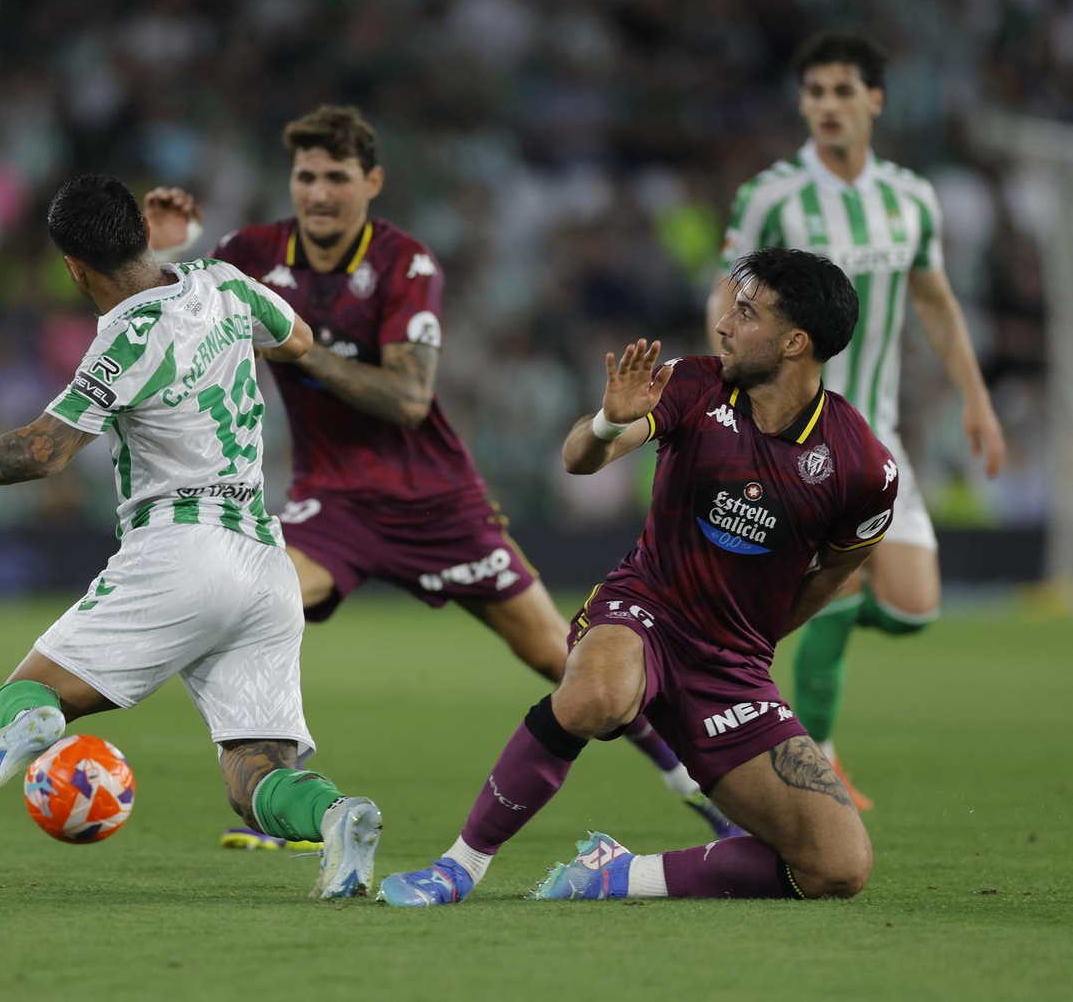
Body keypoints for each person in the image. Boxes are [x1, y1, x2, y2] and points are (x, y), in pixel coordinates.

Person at [146, 104, 739, 850]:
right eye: (305, 177)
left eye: (336, 177)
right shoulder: (249, 253)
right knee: (253, 609)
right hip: (333, 503)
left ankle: (704, 793)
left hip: (438, 503)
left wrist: (295, 345)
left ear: (372, 182)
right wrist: (159, 256)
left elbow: (407, 397)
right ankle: (287, 798)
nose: (318, 193)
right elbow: (151, 321)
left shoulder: (406, 262)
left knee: (564, 657)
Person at [0, 172, 384, 900]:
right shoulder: (225, 283)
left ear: (72, 267)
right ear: (139, 231)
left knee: (26, 694)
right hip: (264, 560)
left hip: (180, 551)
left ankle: (35, 727)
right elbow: (299, 339)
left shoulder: (123, 340)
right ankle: (339, 816)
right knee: (255, 773)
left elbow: (46, 450)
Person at [378, 248, 898, 906]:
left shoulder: (860, 466)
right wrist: (608, 421)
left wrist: (758, 638)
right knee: (597, 693)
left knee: (837, 866)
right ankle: (457, 866)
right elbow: (579, 459)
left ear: (796, 341)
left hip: (731, 664)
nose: (725, 325)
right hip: (643, 611)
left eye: (747, 313)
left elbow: (839, 569)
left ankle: (617, 875)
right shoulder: (694, 384)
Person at [709, 32, 1006, 807]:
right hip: (793, 433)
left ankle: (806, 612)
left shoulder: (911, 197)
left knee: (915, 609)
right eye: (815, 93)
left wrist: (975, 394)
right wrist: (725, 390)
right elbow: (727, 298)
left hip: (878, 435)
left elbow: (934, 301)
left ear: (875, 98)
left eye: (843, 91)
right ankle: (816, 754)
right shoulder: (771, 194)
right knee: (831, 588)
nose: (827, 106)